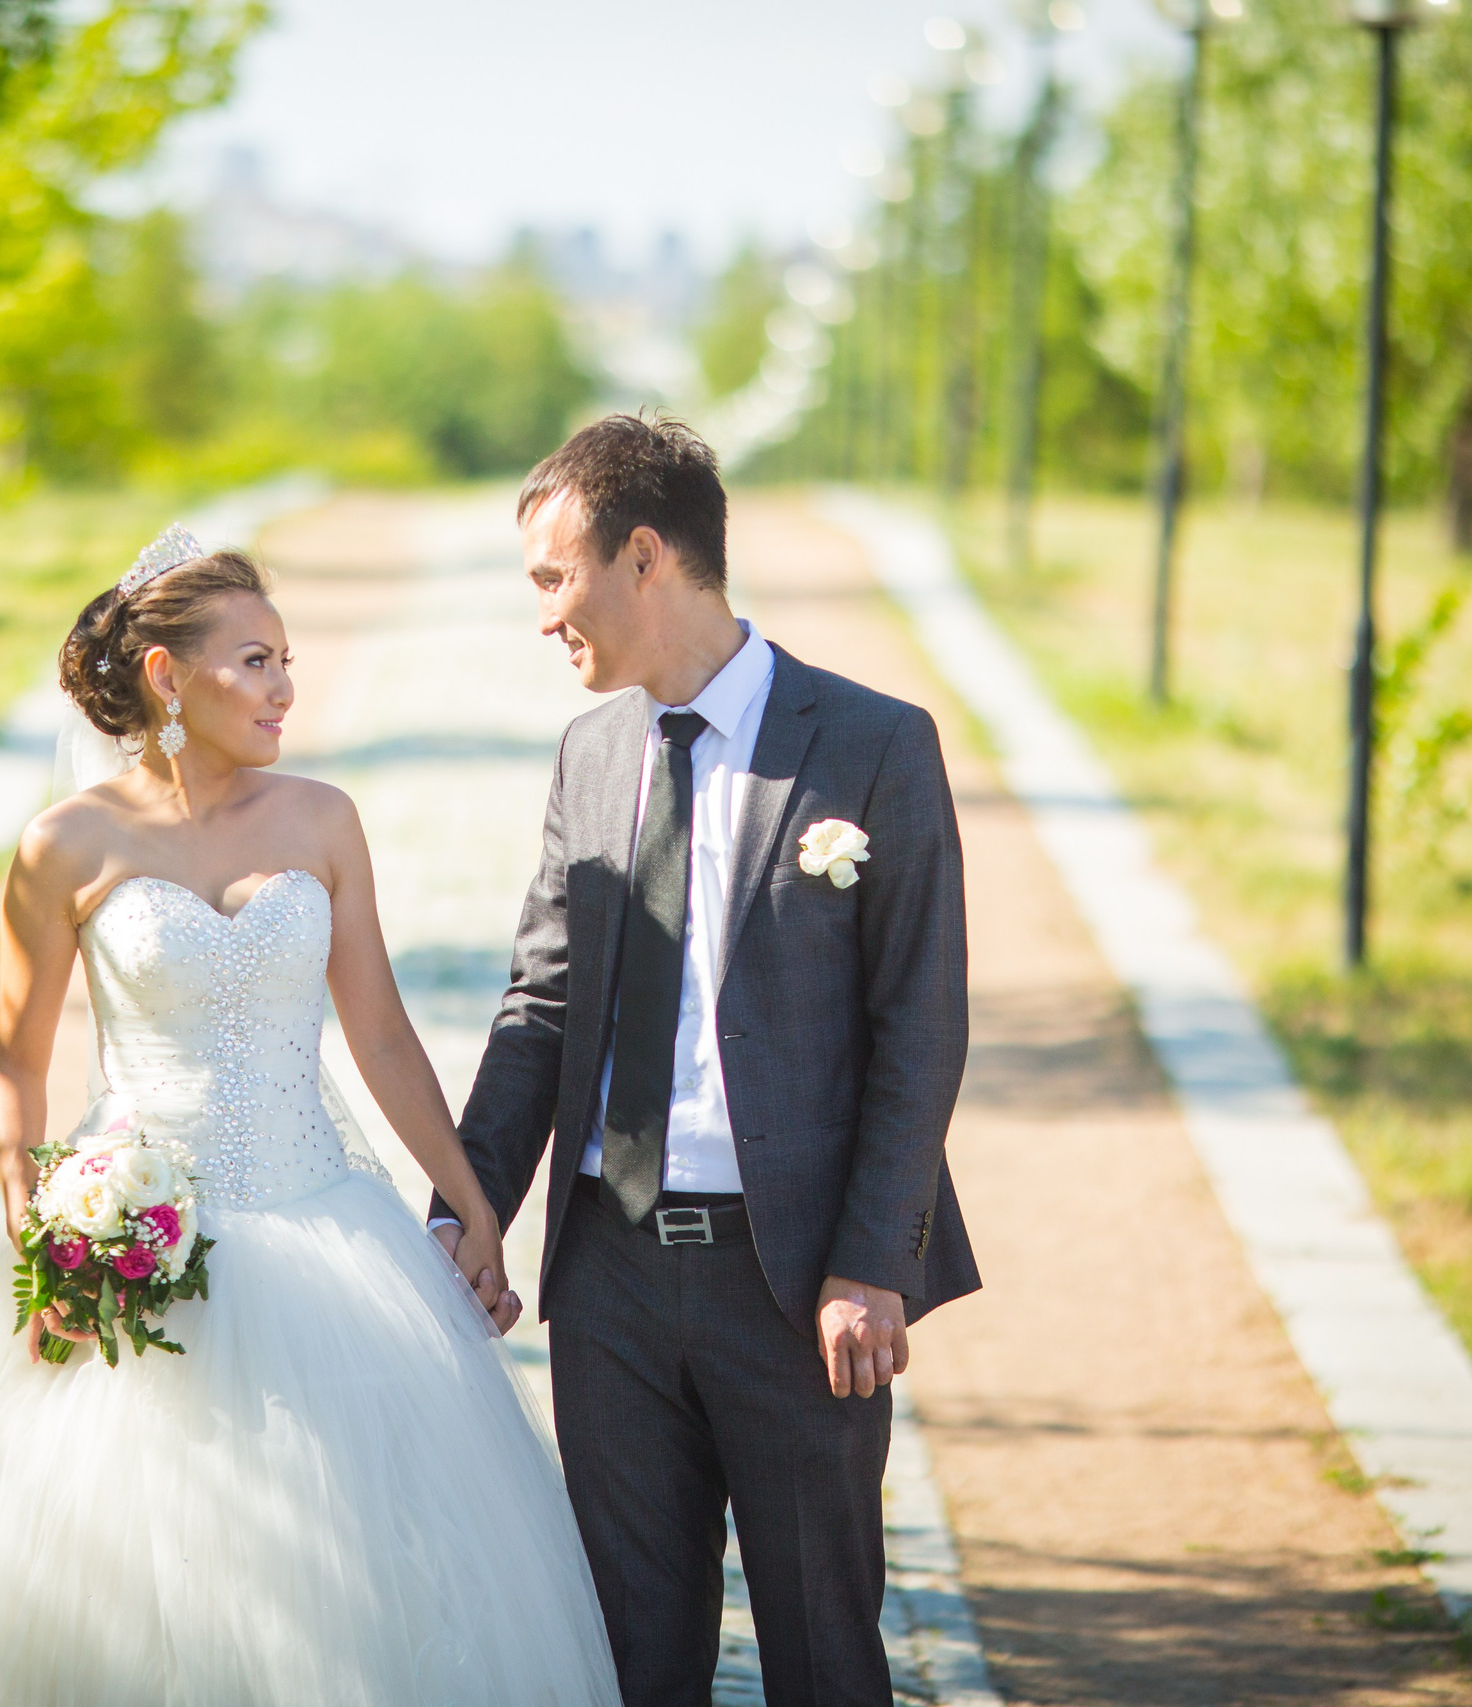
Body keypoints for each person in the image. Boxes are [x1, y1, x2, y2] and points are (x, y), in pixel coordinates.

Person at [0, 531, 622, 1706]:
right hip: (133, 1232)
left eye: (287, 661)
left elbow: (379, 1040)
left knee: (341, 1577)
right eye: (254, 661)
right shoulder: (67, 845)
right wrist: (41, 1240)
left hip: (326, 1234)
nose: (283, 688)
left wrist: (471, 1204)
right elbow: (12, 1065)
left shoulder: (322, 819)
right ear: (167, 677)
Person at [432, 415, 980, 1707]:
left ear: (643, 557)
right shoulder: (591, 754)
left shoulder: (873, 744)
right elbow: (540, 1007)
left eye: (551, 577)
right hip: (609, 1278)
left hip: (795, 1287)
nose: (544, 614)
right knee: (628, 1655)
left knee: (822, 1650)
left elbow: (921, 1023)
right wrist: (469, 1208)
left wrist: (870, 1262)